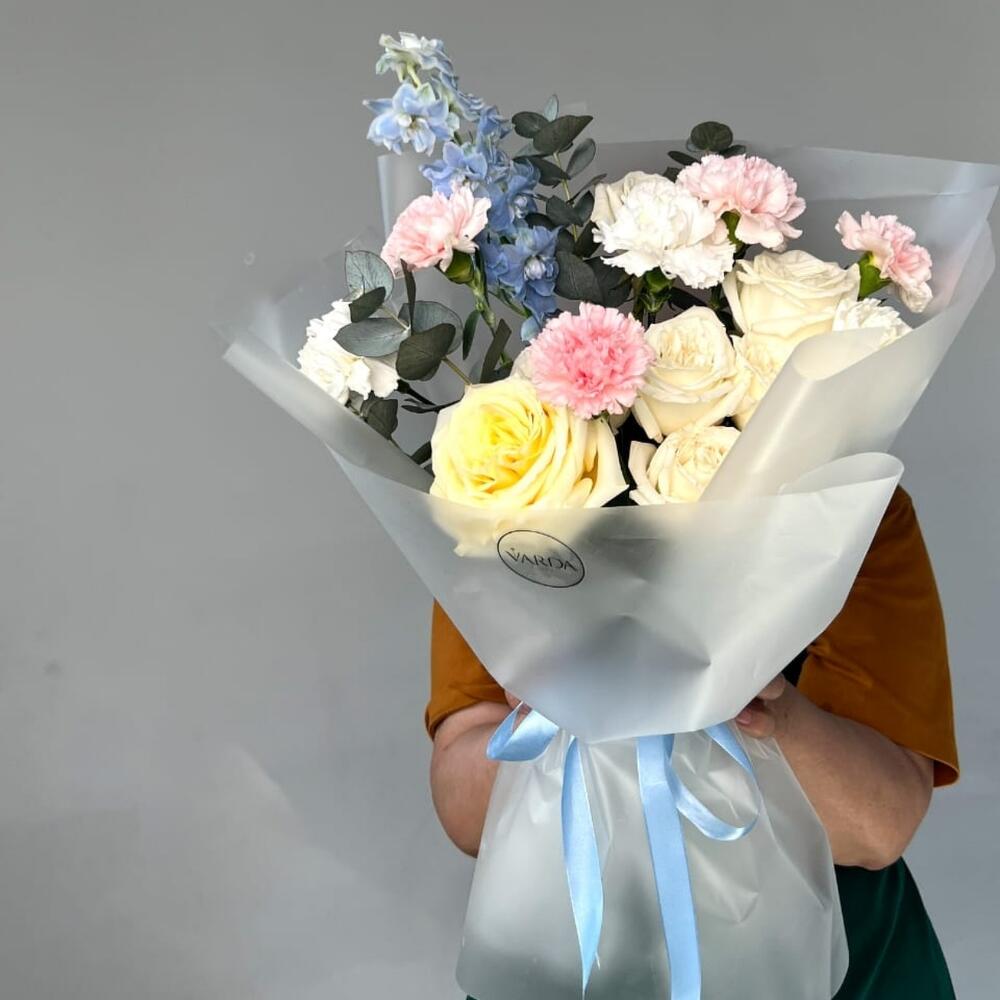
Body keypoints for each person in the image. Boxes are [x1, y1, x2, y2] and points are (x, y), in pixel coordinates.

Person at [426, 487, 958, 999]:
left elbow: (876, 829)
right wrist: (556, 708)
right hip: (568, 964)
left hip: (837, 966)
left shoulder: (851, 506)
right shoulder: (492, 513)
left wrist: (768, 709)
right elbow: (466, 817)